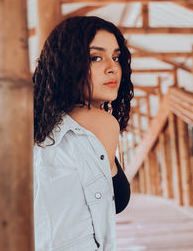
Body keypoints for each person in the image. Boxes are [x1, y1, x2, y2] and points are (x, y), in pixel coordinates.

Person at [33, 16, 133, 251]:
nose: (112, 67)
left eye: (116, 57)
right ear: (69, 65)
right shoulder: (102, 124)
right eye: (95, 57)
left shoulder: (41, 125)